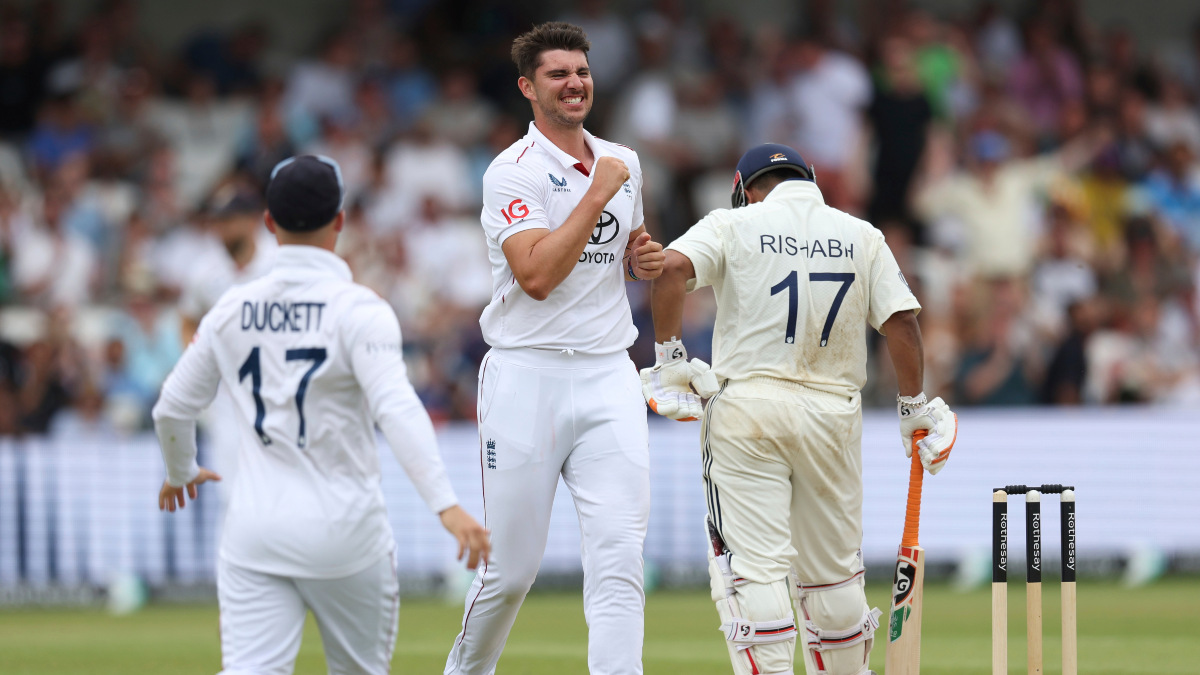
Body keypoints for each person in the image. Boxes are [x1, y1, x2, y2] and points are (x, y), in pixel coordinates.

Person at [152, 155, 490, 675]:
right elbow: (397, 410)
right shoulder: (359, 309)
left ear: (268, 223)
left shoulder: (229, 309)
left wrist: (180, 471)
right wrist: (446, 505)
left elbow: (172, 407)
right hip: (345, 531)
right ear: (339, 220)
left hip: (254, 531)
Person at [642, 144, 957, 675]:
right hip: (834, 414)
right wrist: (912, 406)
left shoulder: (732, 223)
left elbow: (669, 268)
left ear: (745, 188)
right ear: (810, 180)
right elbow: (901, 323)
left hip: (748, 407)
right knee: (834, 578)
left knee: (755, 573)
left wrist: (671, 361)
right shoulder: (861, 234)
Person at [443, 22, 666, 675]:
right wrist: (597, 189)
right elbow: (537, 277)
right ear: (527, 87)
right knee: (511, 571)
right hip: (526, 377)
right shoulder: (511, 172)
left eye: (582, 72)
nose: (575, 84)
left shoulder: (623, 160)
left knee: (620, 559)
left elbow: (625, 250)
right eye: (558, 75)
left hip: (607, 374)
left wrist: (642, 256)